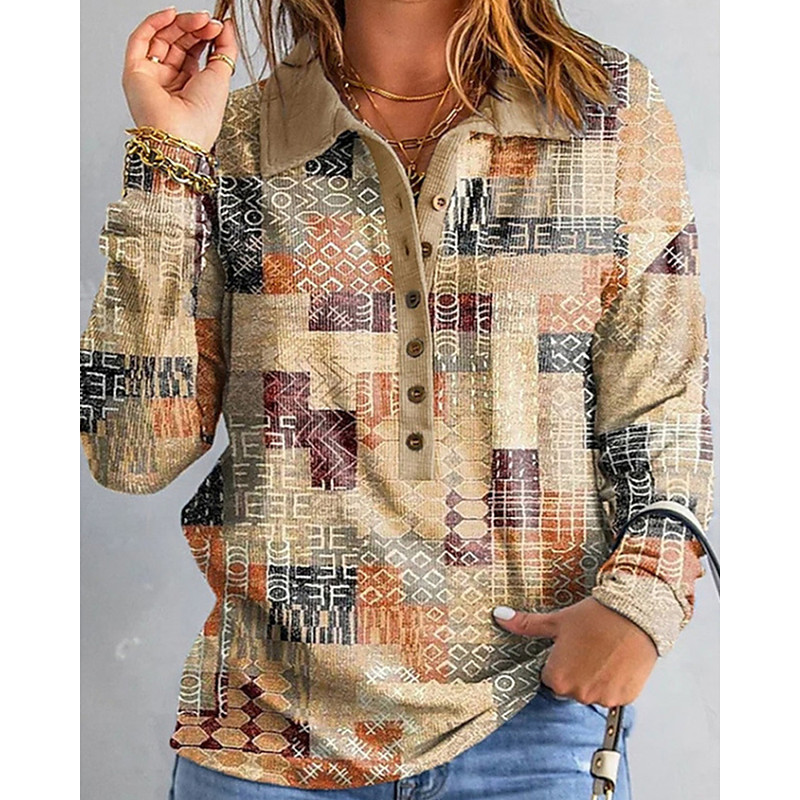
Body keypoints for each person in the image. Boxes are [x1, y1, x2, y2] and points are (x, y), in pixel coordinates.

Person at [79, 2, 715, 798]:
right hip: (267, 738)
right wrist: (168, 165)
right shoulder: (237, 139)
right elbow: (134, 453)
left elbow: (662, 404)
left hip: (532, 723)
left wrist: (644, 603)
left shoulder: (603, 113)